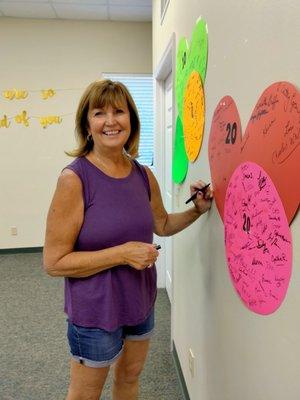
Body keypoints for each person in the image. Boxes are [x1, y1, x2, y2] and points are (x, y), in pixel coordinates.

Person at [43, 79, 213, 400]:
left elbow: (161, 224)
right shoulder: (74, 179)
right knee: (85, 394)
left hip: (139, 300)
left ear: (131, 121)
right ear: (87, 124)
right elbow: (54, 262)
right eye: (99, 113)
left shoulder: (142, 174)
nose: (110, 121)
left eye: (119, 112)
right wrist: (122, 254)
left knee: (130, 378)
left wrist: (197, 211)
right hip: (94, 310)